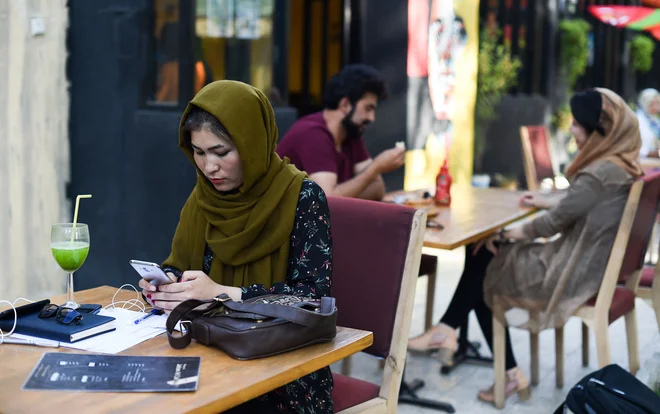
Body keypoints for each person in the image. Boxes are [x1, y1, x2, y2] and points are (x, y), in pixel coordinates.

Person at [408, 88, 643, 406]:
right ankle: (456, 336)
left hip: (571, 271)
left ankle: (461, 339)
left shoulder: (600, 172)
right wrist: (547, 200)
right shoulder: (618, 165)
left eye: (576, 124)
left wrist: (507, 234)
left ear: (599, 130)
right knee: (485, 262)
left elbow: (551, 224)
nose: (571, 129)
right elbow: (580, 202)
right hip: (591, 265)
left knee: (485, 259)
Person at [140, 80, 334, 413]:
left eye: (221, 152)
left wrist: (223, 293)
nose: (208, 167)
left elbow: (313, 298)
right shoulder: (204, 198)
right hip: (208, 354)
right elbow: (181, 265)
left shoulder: (302, 197)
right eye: (198, 153)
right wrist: (166, 285)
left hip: (283, 375)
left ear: (252, 144)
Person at [276, 64, 405, 201]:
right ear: (345, 105)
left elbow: (377, 189)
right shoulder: (313, 134)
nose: (372, 118)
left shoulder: (351, 133)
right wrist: (376, 167)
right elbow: (327, 202)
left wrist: (342, 193)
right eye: (368, 108)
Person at [636, 88, 660, 158]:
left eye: (657, 103)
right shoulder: (637, 120)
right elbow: (632, 146)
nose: (655, 107)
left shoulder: (656, 121)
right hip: (642, 161)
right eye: (651, 104)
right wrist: (649, 153)